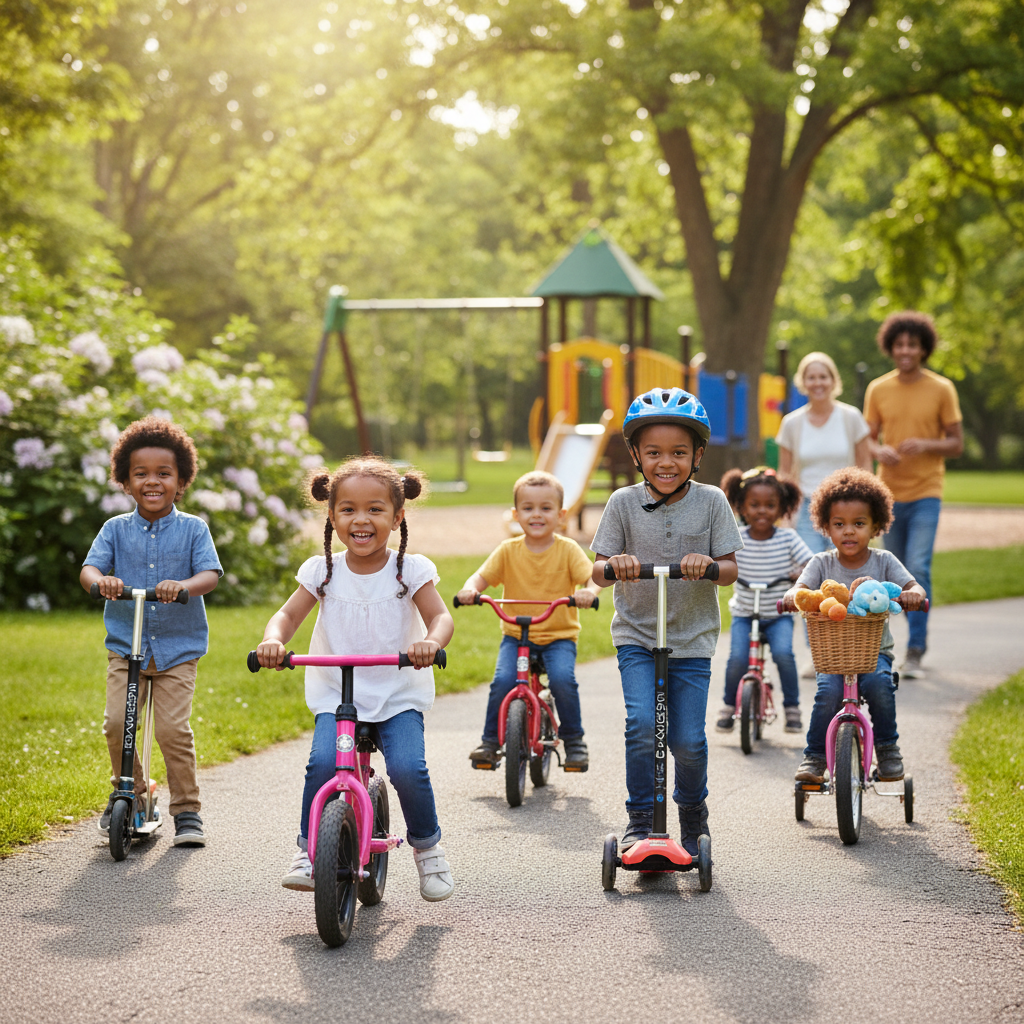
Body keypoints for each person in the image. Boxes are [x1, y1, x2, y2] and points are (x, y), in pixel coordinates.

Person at [256, 456, 456, 901]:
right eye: (347, 509)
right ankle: (309, 853)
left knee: (407, 768)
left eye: (375, 509)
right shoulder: (322, 570)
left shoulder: (410, 570)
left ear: (397, 516)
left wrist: (431, 642)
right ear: (331, 516)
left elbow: (440, 617)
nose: (360, 520)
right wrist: (273, 640)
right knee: (322, 765)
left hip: (397, 693)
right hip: (337, 694)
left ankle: (428, 850)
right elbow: (287, 616)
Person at [591, 387, 740, 854]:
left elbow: (731, 569)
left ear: (697, 456)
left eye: (678, 452)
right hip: (637, 636)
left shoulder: (713, 501)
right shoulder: (621, 502)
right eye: (653, 452)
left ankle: (693, 812)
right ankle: (639, 819)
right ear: (636, 454)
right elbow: (596, 571)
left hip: (691, 640)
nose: (666, 462)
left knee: (689, 741)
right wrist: (618, 564)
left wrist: (708, 564)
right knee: (641, 726)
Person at [80, 416, 223, 847]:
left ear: (181, 481)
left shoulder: (194, 528)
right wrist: (99, 582)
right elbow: (88, 569)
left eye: (164, 473)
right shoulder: (115, 530)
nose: (152, 482)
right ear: (125, 481)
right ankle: (130, 791)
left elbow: (210, 574)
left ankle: (187, 809)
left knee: (171, 731)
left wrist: (182, 586)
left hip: (178, 650)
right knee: (114, 724)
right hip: (127, 647)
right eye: (141, 474)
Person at [780, 467, 926, 784]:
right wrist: (792, 596)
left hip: (875, 651)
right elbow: (800, 589)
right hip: (831, 655)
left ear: (876, 526)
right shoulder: (820, 563)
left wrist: (913, 595)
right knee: (827, 693)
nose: (849, 531)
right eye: (839, 524)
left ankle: (888, 750)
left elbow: (916, 587)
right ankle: (815, 756)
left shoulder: (884, 560)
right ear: (826, 526)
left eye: (859, 524)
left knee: (879, 686)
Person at [459, 470, 600, 771]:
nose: (537, 515)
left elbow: (591, 577)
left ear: (561, 515)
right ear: (515, 513)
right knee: (501, 682)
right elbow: (481, 577)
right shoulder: (508, 550)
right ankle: (489, 742)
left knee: (563, 680)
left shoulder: (568, 549)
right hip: (516, 636)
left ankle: (574, 742)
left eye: (546, 508)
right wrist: (471, 589)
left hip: (558, 636)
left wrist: (589, 592)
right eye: (528, 508)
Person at [864, 311, 963, 678]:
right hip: (888, 495)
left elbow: (956, 443)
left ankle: (917, 649)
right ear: (891, 347)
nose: (906, 350)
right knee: (895, 573)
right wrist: (878, 451)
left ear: (924, 348)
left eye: (913, 344)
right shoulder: (878, 388)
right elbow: (868, 438)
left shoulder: (941, 388)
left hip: (926, 491)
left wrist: (925, 443)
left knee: (918, 567)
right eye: (900, 344)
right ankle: (884, 648)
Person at [716, 467, 811, 734]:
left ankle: (792, 708)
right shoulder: (736, 537)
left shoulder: (788, 538)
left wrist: (799, 573)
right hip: (745, 613)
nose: (762, 511)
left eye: (770, 505)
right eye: (754, 505)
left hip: (778, 615)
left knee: (784, 655)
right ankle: (727, 706)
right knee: (736, 658)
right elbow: (720, 559)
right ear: (741, 507)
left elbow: (811, 564)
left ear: (781, 509)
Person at [776, 351, 872, 555]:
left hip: (846, 506)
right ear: (803, 382)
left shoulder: (851, 417)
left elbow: (865, 465)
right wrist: (786, 511)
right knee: (811, 567)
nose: (817, 383)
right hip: (806, 509)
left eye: (823, 377)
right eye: (811, 378)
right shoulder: (791, 423)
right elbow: (784, 472)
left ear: (833, 380)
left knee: (846, 566)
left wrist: (866, 505)